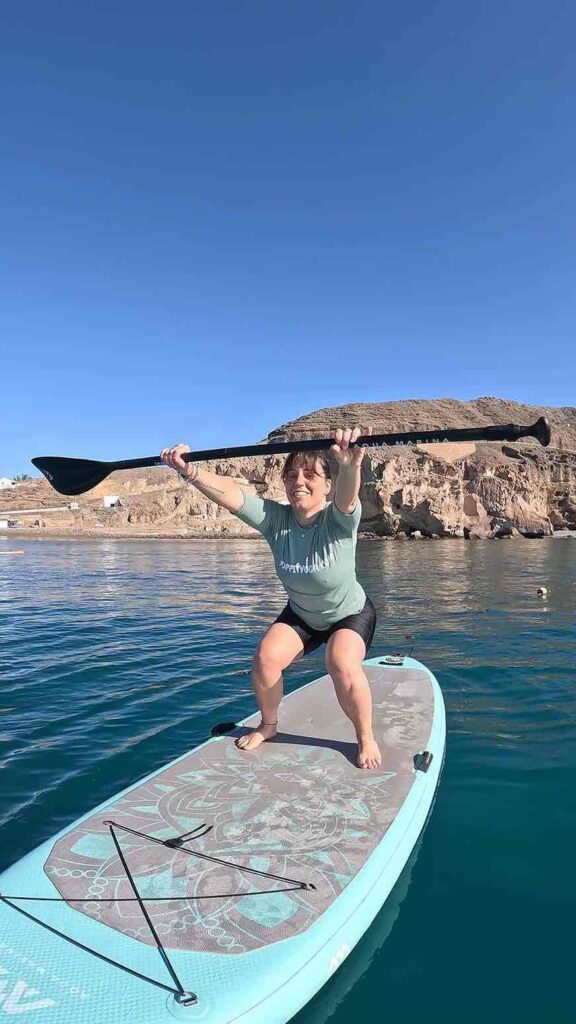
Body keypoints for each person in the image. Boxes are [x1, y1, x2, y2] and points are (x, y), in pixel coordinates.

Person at [161, 426, 381, 769]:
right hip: (303, 614)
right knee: (265, 658)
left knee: (340, 663)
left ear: (326, 484)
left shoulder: (338, 520)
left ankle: (365, 736)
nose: (300, 481)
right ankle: (269, 725)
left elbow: (348, 497)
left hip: (349, 614)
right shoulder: (275, 520)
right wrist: (189, 470)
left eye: (310, 474)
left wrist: (350, 465)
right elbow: (231, 494)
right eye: (291, 474)